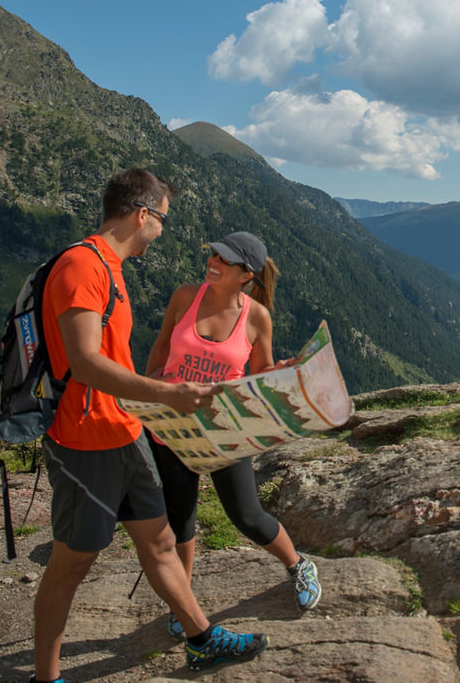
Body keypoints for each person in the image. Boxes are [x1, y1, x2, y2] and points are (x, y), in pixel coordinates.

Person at [30, 169, 268, 683]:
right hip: (85, 438)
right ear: (143, 215)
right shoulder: (81, 266)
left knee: (160, 543)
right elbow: (86, 362)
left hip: (124, 429)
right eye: (162, 219)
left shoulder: (110, 268)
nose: (161, 230)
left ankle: (202, 641)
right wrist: (167, 393)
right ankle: (46, 678)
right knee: (72, 562)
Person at [144, 230, 322, 636]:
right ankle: (182, 601)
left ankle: (299, 565)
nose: (215, 262)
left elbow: (255, 376)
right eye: (215, 255)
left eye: (225, 260)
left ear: (246, 275)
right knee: (180, 518)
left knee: (247, 516)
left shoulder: (256, 317)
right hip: (174, 425)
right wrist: (149, 387)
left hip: (224, 428)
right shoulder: (185, 296)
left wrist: (277, 373)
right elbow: (160, 348)